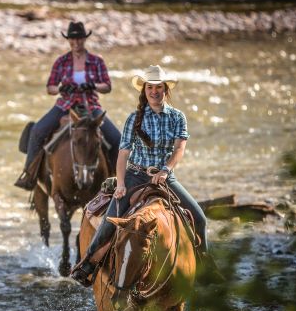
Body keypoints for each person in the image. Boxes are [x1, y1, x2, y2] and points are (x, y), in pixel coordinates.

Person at [71, 65, 209, 285]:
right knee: (110, 219)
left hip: (165, 177)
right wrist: (121, 184)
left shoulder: (177, 117)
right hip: (136, 175)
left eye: (159, 87)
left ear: (166, 90)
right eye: (150, 87)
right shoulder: (134, 118)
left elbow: (179, 149)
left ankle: (203, 268)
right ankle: (87, 263)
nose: (154, 91)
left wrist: (165, 170)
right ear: (144, 90)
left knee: (199, 218)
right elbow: (123, 153)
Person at [14, 21, 121, 190]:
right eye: (73, 39)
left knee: (117, 138)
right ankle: (29, 175)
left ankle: (117, 180)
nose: (76, 42)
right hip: (65, 105)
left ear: (84, 39)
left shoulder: (96, 60)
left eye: (79, 39)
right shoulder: (61, 61)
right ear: (69, 41)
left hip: (90, 106)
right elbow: (50, 87)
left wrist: (92, 85)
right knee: (37, 130)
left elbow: (107, 86)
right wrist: (61, 88)